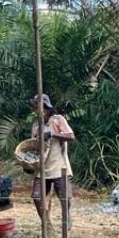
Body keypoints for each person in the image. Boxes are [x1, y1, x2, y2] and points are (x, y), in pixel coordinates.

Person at [30, 94, 75, 228]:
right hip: (42, 168)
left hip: (58, 166)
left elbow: (71, 136)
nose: (38, 110)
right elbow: (33, 146)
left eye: (40, 107)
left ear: (47, 108)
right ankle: (47, 224)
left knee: (65, 197)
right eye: (36, 108)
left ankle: (66, 216)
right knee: (37, 197)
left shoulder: (58, 120)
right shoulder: (36, 126)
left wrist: (51, 134)